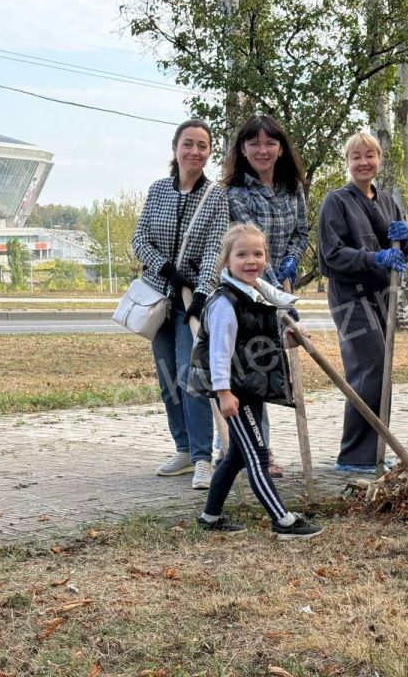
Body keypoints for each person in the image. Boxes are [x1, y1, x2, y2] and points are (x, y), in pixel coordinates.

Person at [189, 223, 323, 539]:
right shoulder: (226, 302)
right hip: (235, 391)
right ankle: (283, 519)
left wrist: (290, 337)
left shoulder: (256, 294)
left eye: (258, 254)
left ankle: (210, 518)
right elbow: (219, 354)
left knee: (236, 454)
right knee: (256, 456)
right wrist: (223, 393)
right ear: (226, 262)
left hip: (248, 387)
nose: (251, 260)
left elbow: (258, 338)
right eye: (242, 255)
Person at [131, 119, 229, 489]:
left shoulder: (215, 197)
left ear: (208, 153)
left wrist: (202, 293)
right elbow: (139, 239)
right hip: (158, 296)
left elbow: (214, 249)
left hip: (191, 302)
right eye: (188, 144)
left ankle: (204, 457)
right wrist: (166, 269)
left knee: (190, 379)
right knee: (167, 378)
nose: (194, 152)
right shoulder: (158, 190)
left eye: (202, 146)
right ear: (175, 148)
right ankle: (184, 449)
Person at [317, 131, 408, 473]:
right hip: (349, 297)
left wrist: (405, 244)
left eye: (369, 155)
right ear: (347, 162)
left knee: (381, 370)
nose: (363, 162)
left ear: (379, 160)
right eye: (355, 156)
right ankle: (354, 455)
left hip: (381, 295)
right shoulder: (336, 201)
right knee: (371, 366)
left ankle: (374, 452)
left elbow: (399, 253)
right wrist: (375, 258)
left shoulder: (388, 202)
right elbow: (333, 253)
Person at [224, 115, 309, 478]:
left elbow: (301, 231)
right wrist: (279, 300)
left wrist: (293, 257)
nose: (263, 150)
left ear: (281, 148)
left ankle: (250, 450)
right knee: (250, 376)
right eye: (254, 143)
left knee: (272, 375)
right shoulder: (235, 194)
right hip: (248, 296)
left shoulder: (293, 189)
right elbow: (250, 253)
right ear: (243, 149)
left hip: (280, 290)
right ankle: (254, 452)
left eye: (270, 143)